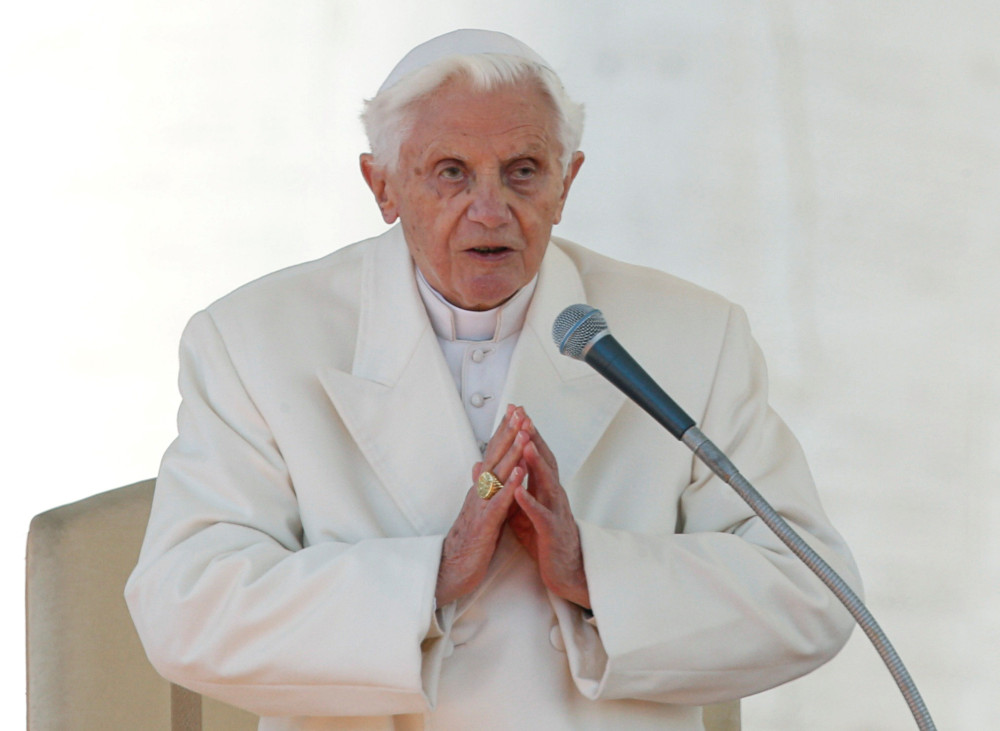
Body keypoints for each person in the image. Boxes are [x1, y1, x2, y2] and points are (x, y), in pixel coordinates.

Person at [126, 29, 861, 730]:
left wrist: (590, 571)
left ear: (567, 182)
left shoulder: (692, 337)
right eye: (451, 173)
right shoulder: (255, 339)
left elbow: (814, 593)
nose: (490, 210)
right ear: (381, 184)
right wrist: (432, 576)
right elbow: (185, 608)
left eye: (523, 172)